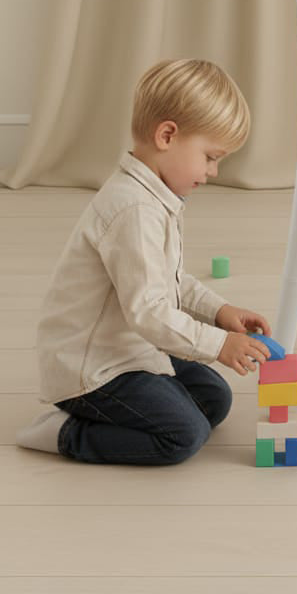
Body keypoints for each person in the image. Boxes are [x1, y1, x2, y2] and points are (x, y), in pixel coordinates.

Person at [15, 59, 273, 463]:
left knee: (214, 399)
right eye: (209, 156)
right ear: (167, 135)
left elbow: (168, 280)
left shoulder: (156, 198)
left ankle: (140, 403)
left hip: (130, 347)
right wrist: (218, 344)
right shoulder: (132, 209)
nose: (212, 172)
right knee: (183, 436)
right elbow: (150, 312)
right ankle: (66, 433)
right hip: (93, 370)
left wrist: (219, 311)